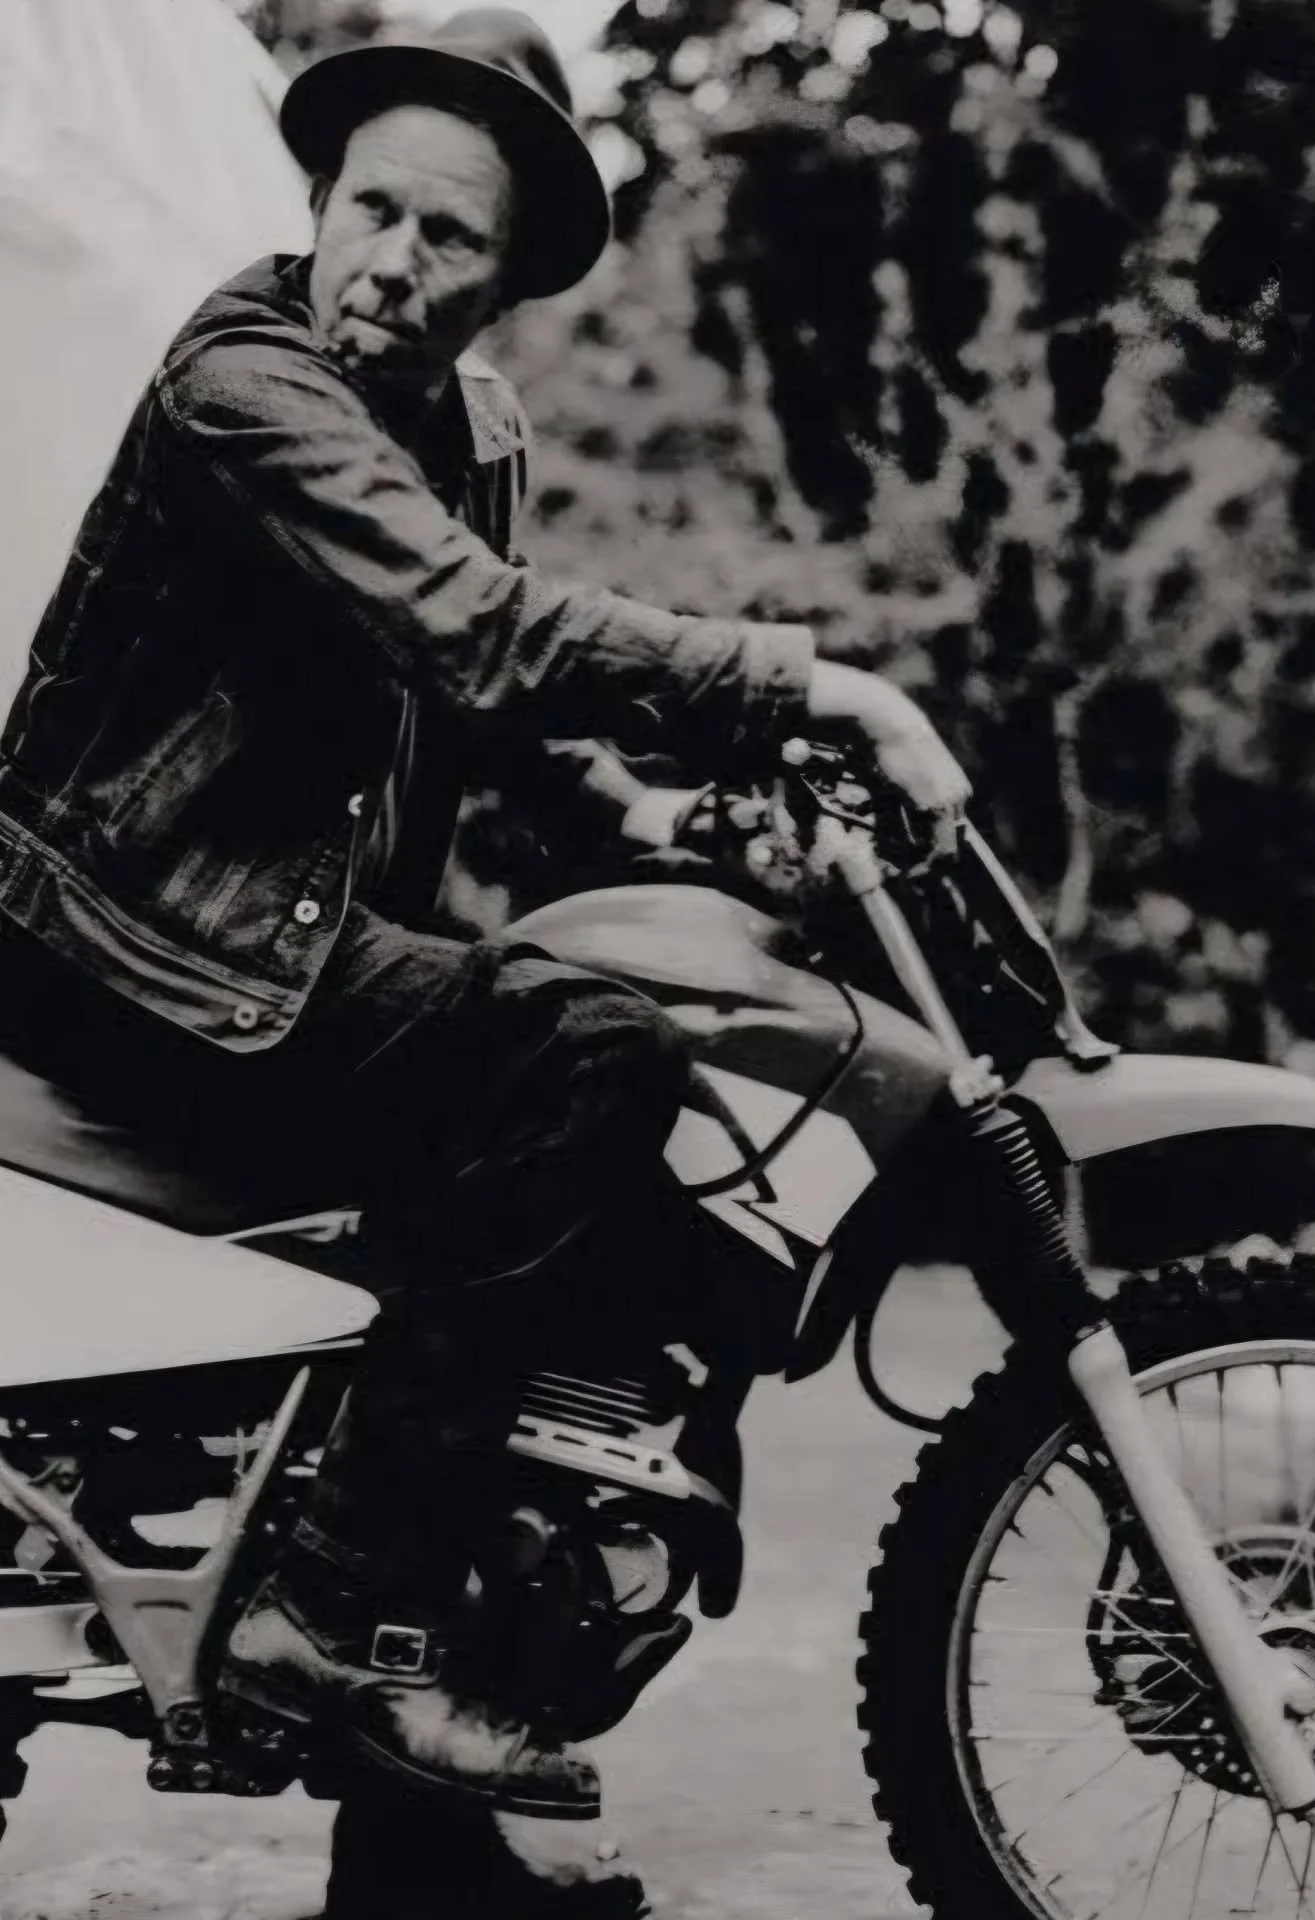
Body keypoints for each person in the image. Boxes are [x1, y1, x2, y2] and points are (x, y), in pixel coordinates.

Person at [0, 6, 968, 1822]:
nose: (391, 263)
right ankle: (340, 1623)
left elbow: (473, 711)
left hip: (258, 939)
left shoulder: (467, 427)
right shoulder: (250, 377)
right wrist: (807, 683)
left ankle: (458, 1719)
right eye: (374, 209)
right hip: (120, 940)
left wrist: (667, 822)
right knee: (582, 1050)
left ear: (506, 278)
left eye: (447, 240)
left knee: (617, 1100)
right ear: (324, 197)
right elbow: (482, 630)